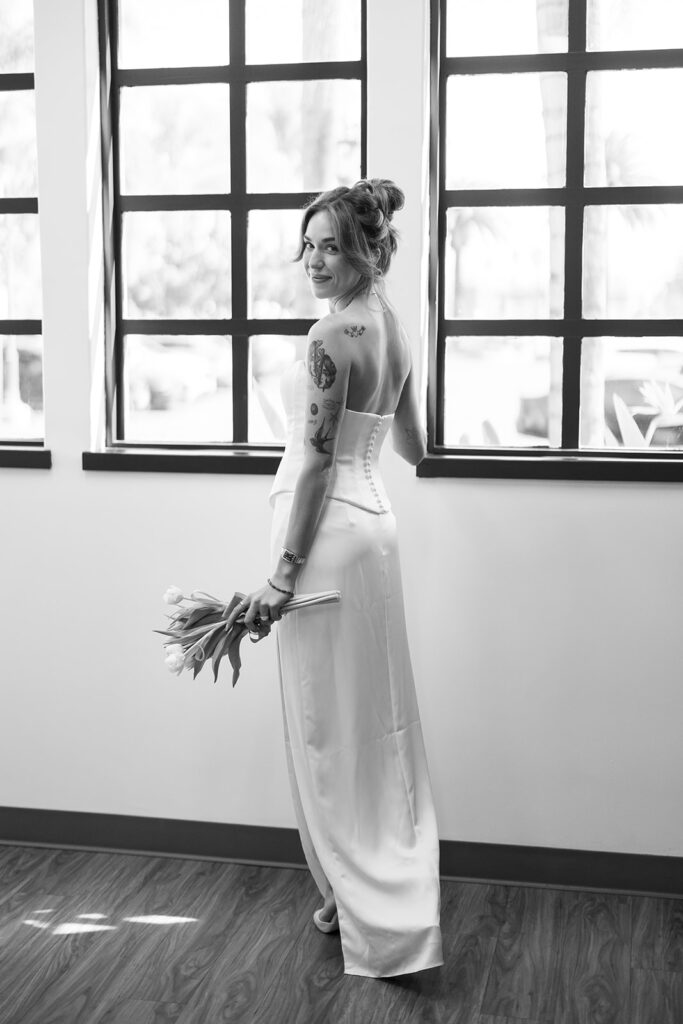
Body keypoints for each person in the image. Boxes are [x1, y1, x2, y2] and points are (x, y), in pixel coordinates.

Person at [230, 179, 444, 978]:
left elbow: (317, 461)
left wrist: (282, 577)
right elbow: (414, 450)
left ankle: (366, 903)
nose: (314, 261)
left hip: (322, 541)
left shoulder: (329, 338)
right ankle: (367, 888)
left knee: (328, 729)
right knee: (378, 721)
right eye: (308, 245)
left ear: (367, 251)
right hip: (375, 533)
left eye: (331, 246)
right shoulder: (391, 327)